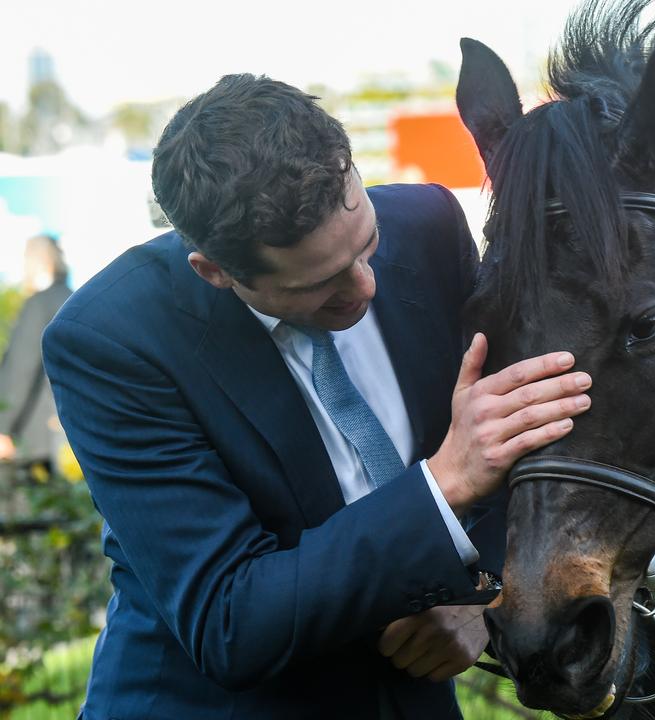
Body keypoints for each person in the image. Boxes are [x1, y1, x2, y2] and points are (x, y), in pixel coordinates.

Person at [41, 74, 592, 719]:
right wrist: (443, 487)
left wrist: (485, 593)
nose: (365, 288)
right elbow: (229, 620)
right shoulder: (113, 340)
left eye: (368, 246)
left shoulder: (429, 228)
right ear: (216, 272)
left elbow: (516, 434)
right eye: (321, 285)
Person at [0, 233, 72, 472]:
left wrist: (3, 427)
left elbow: (21, 370)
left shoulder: (38, 304)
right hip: (74, 434)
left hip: (36, 440)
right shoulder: (75, 300)